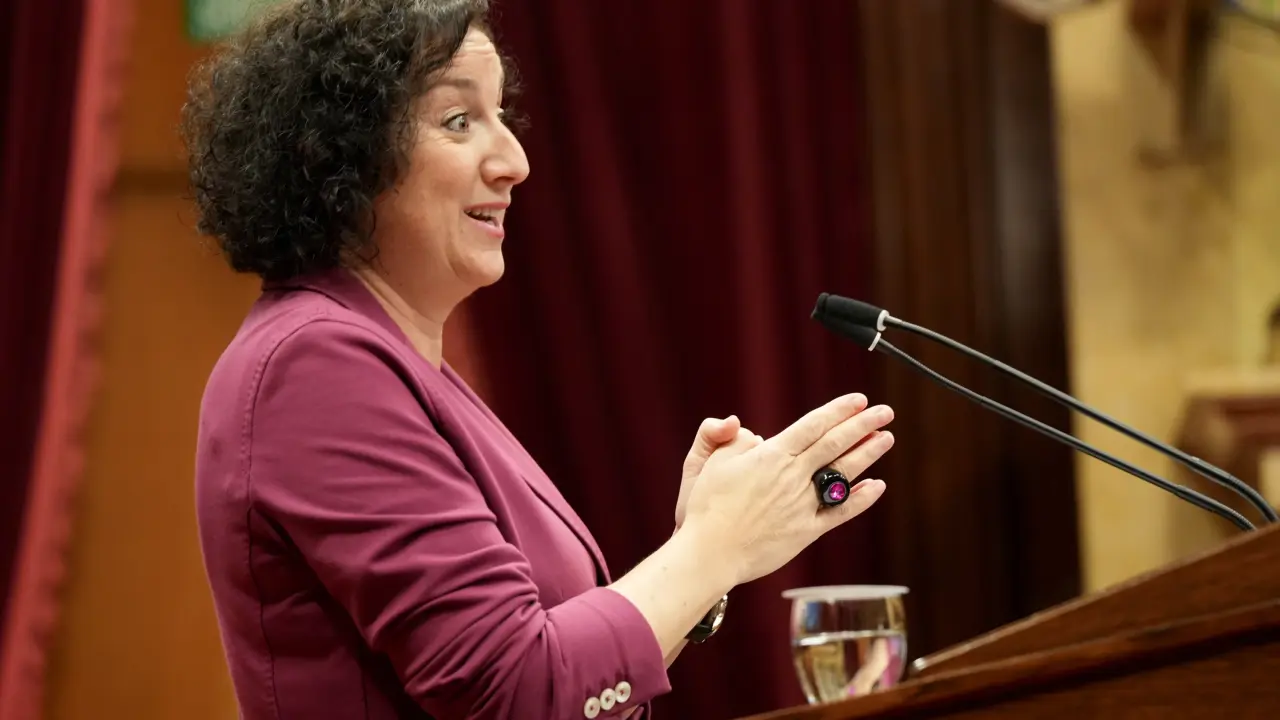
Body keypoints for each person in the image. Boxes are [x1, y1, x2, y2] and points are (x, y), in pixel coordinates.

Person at [181, 1, 895, 718]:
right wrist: (717, 545)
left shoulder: (402, 367)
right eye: (458, 120)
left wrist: (703, 552)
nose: (515, 163)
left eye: (501, 116)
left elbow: (565, 679)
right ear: (340, 153)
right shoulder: (317, 369)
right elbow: (518, 693)